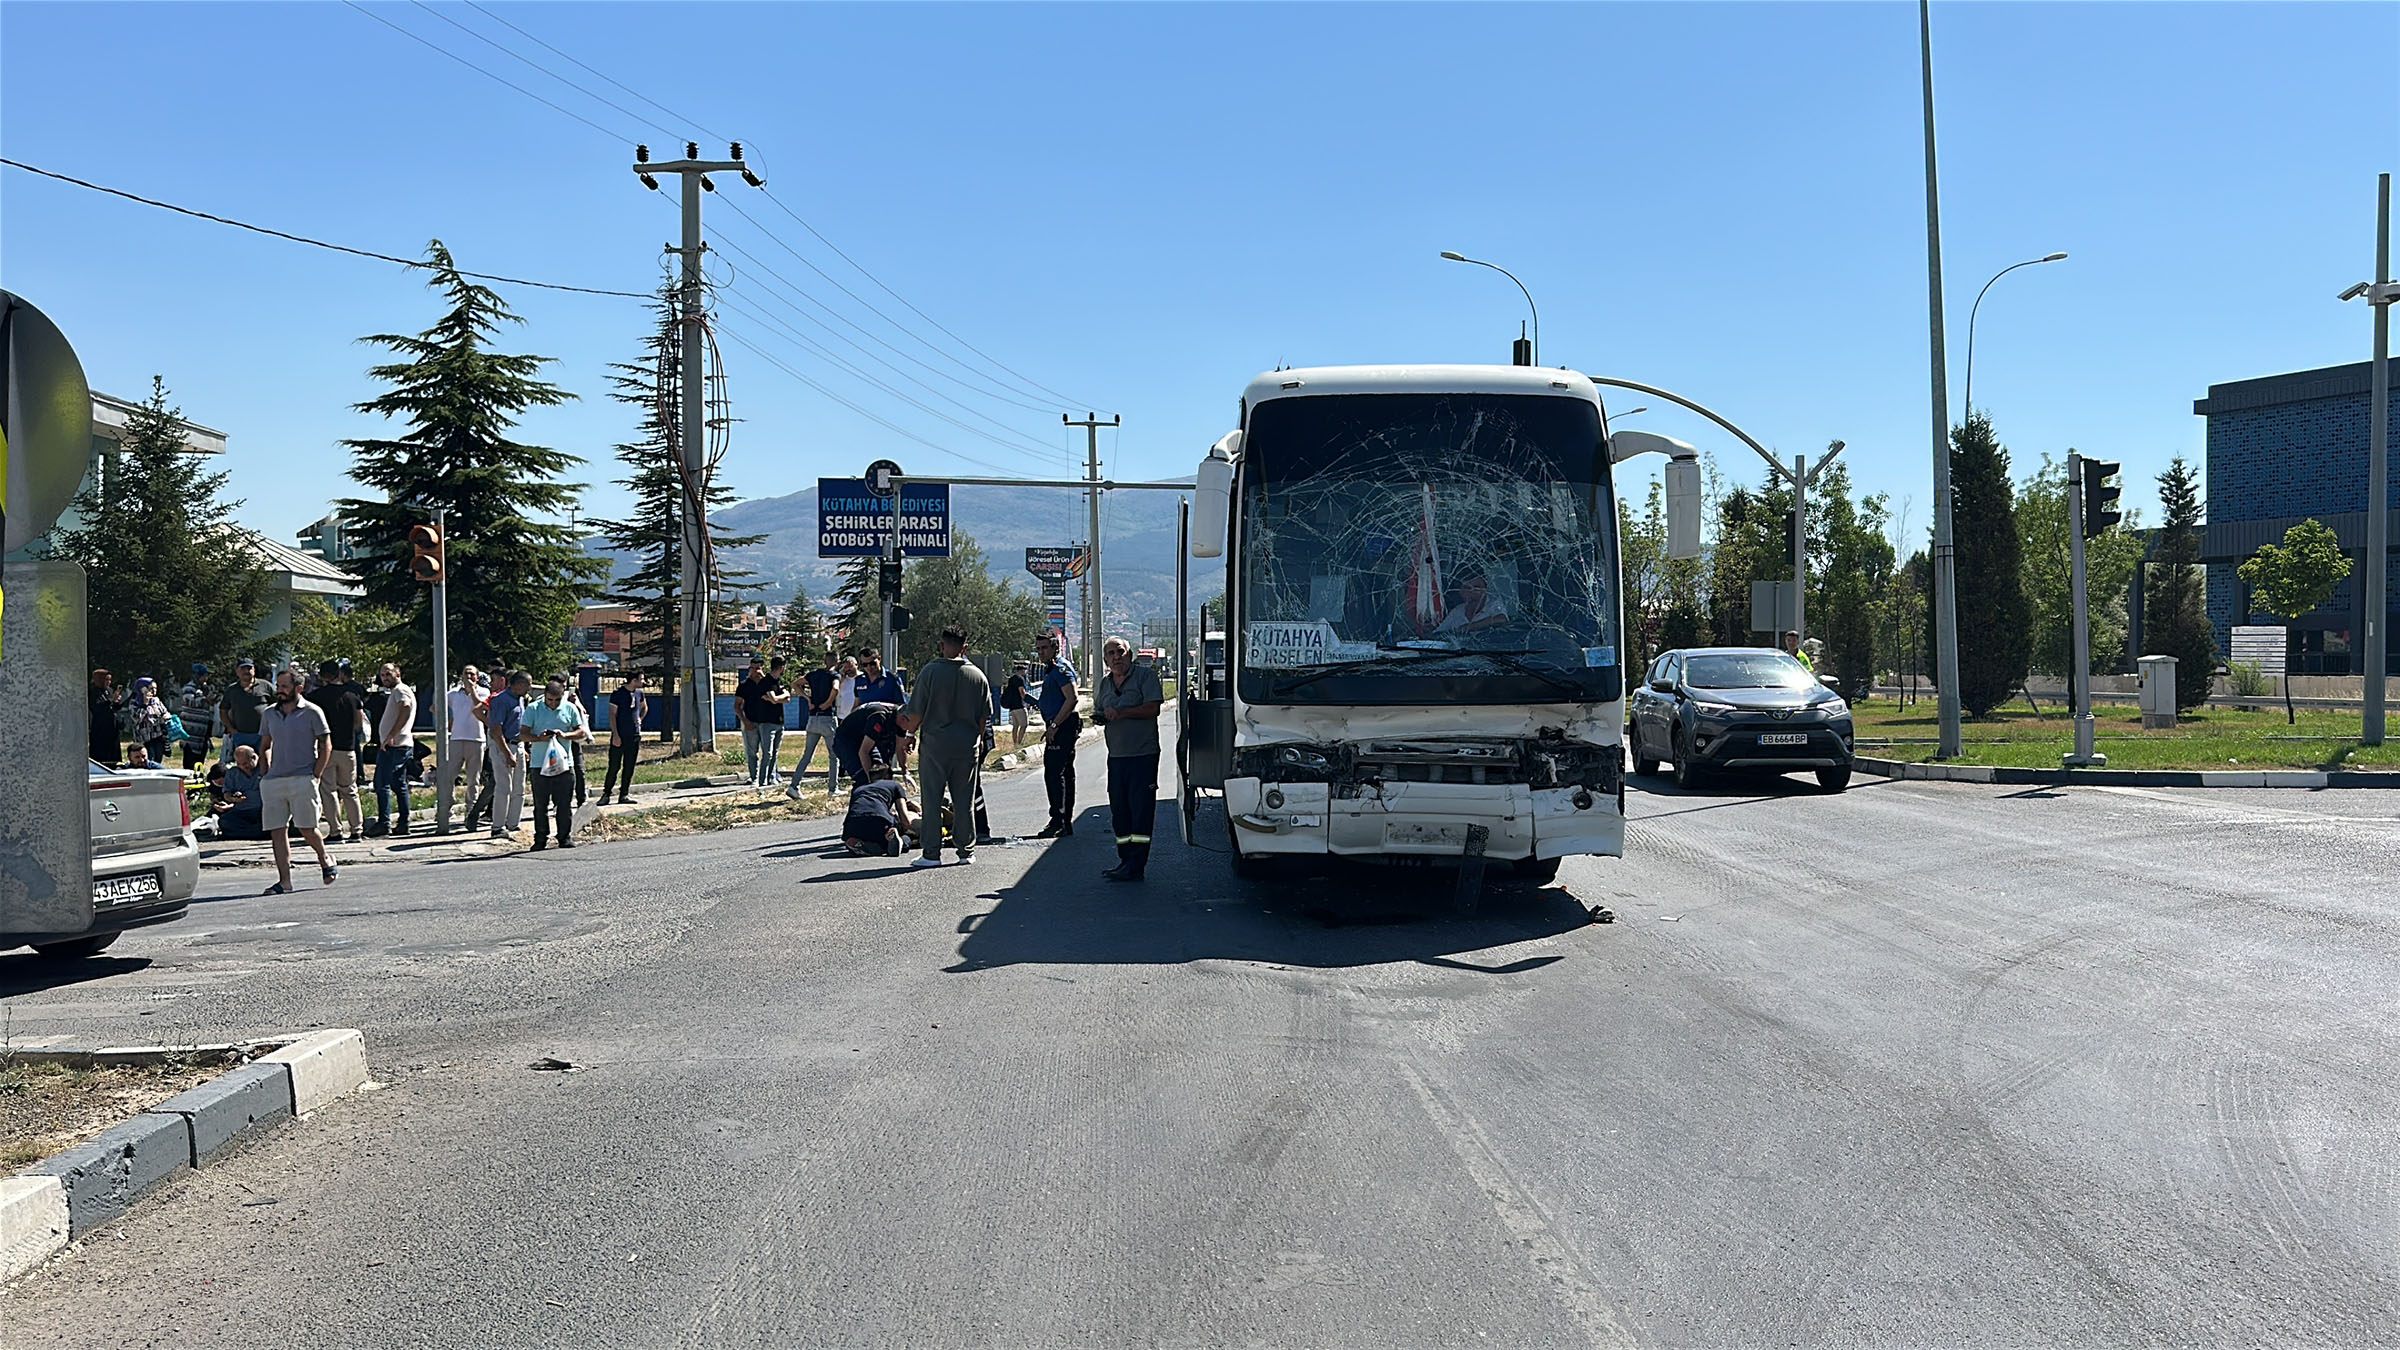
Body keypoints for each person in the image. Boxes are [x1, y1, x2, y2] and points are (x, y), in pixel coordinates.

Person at [899, 624, 992, 869]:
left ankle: (932, 853)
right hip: (966, 746)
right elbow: (984, 717)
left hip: (936, 746)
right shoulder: (978, 676)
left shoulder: (930, 672)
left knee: (931, 799)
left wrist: (910, 735)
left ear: (942, 645)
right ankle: (966, 850)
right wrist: (979, 740)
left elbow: (916, 711)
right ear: (965, 647)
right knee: (964, 800)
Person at [257, 669, 337, 894]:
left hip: (303, 777)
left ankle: (324, 858)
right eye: (278, 685)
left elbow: (325, 744)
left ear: (298, 688)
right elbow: (265, 745)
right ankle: (285, 881)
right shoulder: (270, 714)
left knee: (307, 827)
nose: (279, 690)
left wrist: (316, 774)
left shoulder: (313, 712)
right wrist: (264, 773)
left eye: (284, 686)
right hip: (274, 781)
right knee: (277, 831)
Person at [1093, 636, 1166, 882]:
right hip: (1117, 756)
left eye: (1121, 652)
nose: (1116, 657)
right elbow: (1102, 710)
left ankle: (1137, 864)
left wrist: (1122, 713)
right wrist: (1101, 716)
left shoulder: (1145, 677)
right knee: (1120, 812)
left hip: (1142, 756)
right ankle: (1125, 859)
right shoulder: (1104, 684)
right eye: (1111, 653)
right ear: (1105, 659)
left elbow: (1153, 708)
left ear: (1130, 654)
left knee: (1141, 811)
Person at [521, 677, 590, 850]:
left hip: (564, 763)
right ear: (544, 696)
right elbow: (522, 734)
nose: (553, 703)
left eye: (557, 700)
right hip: (539, 764)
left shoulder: (570, 708)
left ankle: (564, 837)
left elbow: (581, 731)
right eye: (550, 700)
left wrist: (565, 735)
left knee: (564, 803)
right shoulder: (533, 709)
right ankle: (540, 838)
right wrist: (539, 738)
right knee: (540, 804)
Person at [304, 659, 366, 844]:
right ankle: (357, 830)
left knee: (329, 790)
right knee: (350, 790)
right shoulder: (352, 696)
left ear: (322, 676)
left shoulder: (316, 697)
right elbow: (358, 723)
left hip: (326, 748)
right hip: (348, 748)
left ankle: (335, 830)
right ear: (339, 674)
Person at [1030, 632, 1082, 838]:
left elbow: (1072, 698)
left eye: (1044, 648)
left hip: (1062, 726)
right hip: (1060, 724)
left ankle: (1058, 820)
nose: (1040, 652)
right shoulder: (1051, 669)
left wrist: (1054, 725)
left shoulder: (1060, 669)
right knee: (1063, 773)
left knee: (1055, 773)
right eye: (1038, 648)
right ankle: (1063, 821)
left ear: (1054, 648)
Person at [435, 665, 487, 835]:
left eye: (472, 674)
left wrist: (472, 691)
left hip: (476, 740)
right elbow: (436, 707)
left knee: (473, 780)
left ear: (477, 677)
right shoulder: (453, 694)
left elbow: (480, 706)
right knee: (448, 776)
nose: (469, 676)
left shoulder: (484, 692)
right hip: (456, 738)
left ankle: (470, 814)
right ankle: (445, 809)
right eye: (466, 673)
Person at [839, 754, 919, 857]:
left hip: (852, 825)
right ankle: (897, 841)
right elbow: (905, 820)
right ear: (887, 776)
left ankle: (858, 843)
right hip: (879, 820)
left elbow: (854, 810)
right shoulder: (895, 785)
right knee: (906, 837)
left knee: (865, 837)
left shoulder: (859, 789)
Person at [370, 663, 418, 837]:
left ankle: (384, 822)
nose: (385, 678)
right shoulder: (397, 691)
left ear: (398, 673)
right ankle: (404, 823)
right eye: (382, 675)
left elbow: (405, 708)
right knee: (399, 784)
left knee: (381, 783)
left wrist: (391, 734)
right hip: (399, 744)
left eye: (388, 674)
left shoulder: (400, 690)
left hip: (395, 745)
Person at [789, 653, 843, 800]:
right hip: (827, 719)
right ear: (837, 662)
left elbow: (795, 684)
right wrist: (828, 702)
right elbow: (836, 689)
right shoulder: (835, 675)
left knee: (807, 755)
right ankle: (833, 788)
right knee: (834, 755)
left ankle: (794, 786)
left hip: (813, 718)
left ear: (824, 661)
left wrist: (807, 698)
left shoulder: (813, 674)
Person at [484, 671, 530, 839]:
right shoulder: (500, 700)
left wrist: (521, 748)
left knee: (519, 787)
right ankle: (497, 826)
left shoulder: (520, 699)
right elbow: (496, 730)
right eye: (526, 684)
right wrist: (507, 753)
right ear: (516, 684)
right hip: (502, 745)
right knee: (504, 787)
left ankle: (513, 823)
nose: (529, 688)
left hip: (517, 744)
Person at [741, 656, 792, 790]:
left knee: (775, 752)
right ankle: (761, 780)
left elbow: (787, 698)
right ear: (781, 667)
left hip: (779, 721)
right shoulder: (766, 682)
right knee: (766, 753)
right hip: (766, 722)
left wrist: (778, 698)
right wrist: (778, 698)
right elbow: (775, 698)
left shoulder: (778, 681)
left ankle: (771, 778)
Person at [831, 700, 907, 787]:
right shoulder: (880, 716)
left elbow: (900, 747)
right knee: (863, 777)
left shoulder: (902, 720)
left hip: (864, 738)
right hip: (847, 740)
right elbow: (864, 752)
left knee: (881, 772)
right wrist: (871, 783)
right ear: (903, 719)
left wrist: (905, 773)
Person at [603, 672, 647, 804]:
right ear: (634, 680)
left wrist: (640, 718)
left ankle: (624, 794)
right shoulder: (618, 694)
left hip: (634, 735)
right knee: (614, 766)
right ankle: (606, 793)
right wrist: (615, 735)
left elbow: (645, 707)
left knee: (629, 765)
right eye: (642, 679)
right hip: (620, 735)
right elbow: (612, 715)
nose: (644, 682)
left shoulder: (639, 694)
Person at [218, 658, 272, 763]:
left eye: (249, 668)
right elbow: (223, 710)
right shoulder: (232, 690)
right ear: (237, 671)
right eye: (243, 669)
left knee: (264, 763)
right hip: (241, 735)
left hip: (263, 735)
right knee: (243, 764)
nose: (246, 671)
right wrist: (231, 729)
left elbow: (278, 705)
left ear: (254, 670)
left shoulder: (266, 686)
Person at [212, 745, 265, 841]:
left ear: (253, 758)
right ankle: (258, 832)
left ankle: (252, 832)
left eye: (245, 763)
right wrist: (233, 798)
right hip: (242, 811)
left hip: (263, 810)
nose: (243, 767)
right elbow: (226, 794)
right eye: (239, 764)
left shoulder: (264, 768)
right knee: (225, 821)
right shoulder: (233, 773)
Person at [1436, 568, 1510, 634]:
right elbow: (1439, 633)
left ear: (1485, 588)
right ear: (1461, 591)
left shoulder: (1493, 604)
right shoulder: (1457, 612)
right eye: (1467, 588)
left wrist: (1468, 628)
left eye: (1477, 587)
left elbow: (1501, 619)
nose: (1472, 592)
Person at [121, 677, 174, 766]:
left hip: (158, 735)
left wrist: (166, 716)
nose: (153, 691)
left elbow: (165, 712)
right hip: (144, 738)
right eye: (151, 689)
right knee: (147, 761)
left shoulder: (156, 700)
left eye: (155, 689)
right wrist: (145, 704)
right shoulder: (134, 702)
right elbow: (136, 718)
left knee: (157, 760)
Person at [177, 664, 217, 770]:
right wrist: (205, 700)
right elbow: (189, 701)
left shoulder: (204, 688)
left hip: (202, 731)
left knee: (200, 760)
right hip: (191, 731)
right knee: (190, 759)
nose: (206, 678)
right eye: (204, 675)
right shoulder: (189, 688)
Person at [87, 669, 124, 766]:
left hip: (112, 726)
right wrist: (111, 700)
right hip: (100, 727)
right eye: (106, 680)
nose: (109, 682)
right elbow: (97, 708)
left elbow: (113, 708)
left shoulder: (110, 691)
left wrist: (117, 702)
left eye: (110, 680)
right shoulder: (93, 692)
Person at [1000, 665, 1030, 748]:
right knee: (1024, 725)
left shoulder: (1011, 679)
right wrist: (1027, 702)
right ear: (1022, 670)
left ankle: (1015, 743)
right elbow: (1022, 692)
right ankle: (1019, 743)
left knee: (1015, 726)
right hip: (1020, 705)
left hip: (1012, 706)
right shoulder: (1020, 679)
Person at [833, 654, 861, 720]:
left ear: (856, 665)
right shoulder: (841, 679)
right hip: (842, 716)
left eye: (850, 666)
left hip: (857, 715)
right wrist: (841, 679)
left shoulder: (862, 678)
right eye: (846, 667)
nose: (848, 669)